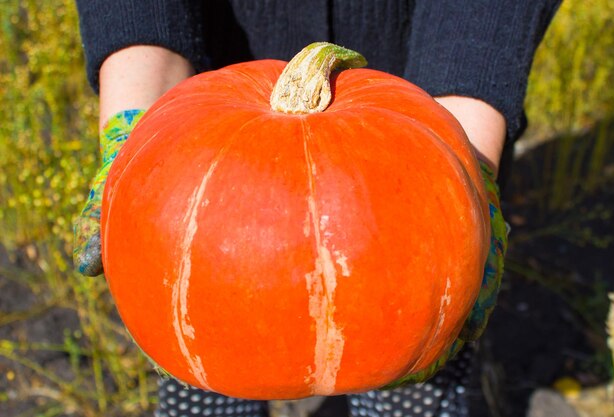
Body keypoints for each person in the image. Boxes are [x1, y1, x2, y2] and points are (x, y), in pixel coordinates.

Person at [73, 1, 561, 416]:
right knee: (204, 381)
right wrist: (139, 112)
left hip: (428, 106)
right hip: (198, 117)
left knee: (417, 384)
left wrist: (460, 155)